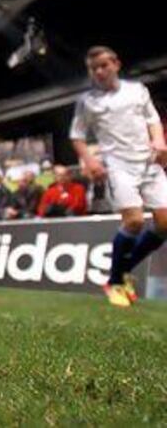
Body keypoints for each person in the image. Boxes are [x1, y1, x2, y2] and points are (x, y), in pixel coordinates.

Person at [71, 45, 167, 307]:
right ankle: (115, 282)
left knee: (165, 224)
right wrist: (90, 160)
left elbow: (153, 119)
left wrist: (159, 140)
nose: (99, 72)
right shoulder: (87, 102)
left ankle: (119, 271)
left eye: (103, 65)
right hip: (119, 166)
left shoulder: (137, 91)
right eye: (93, 68)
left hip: (149, 162)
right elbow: (77, 136)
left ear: (116, 64)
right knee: (134, 221)